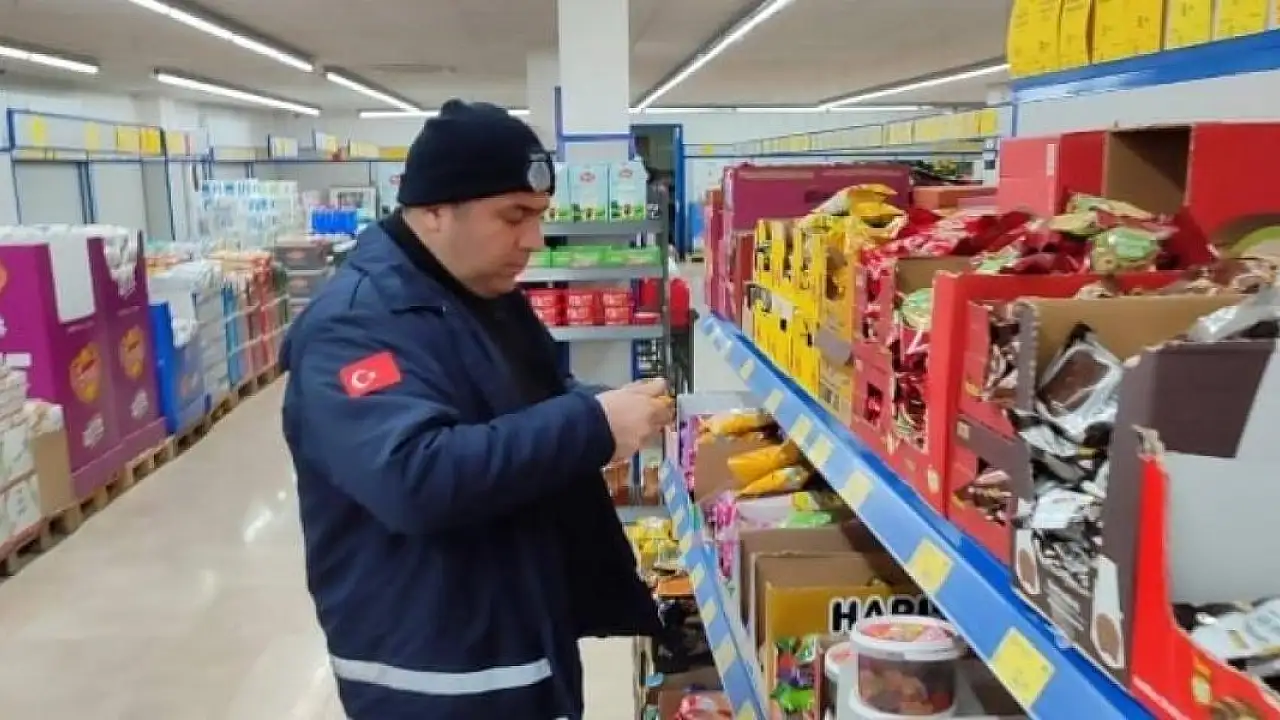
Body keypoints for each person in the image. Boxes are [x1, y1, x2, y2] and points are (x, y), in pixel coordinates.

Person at [280, 99, 668, 720]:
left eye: (539, 216)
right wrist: (590, 426)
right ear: (435, 211)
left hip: (515, 637)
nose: (533, 240)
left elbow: (525, 396)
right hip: (435, 676)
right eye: (514, 216)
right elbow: (414, 476)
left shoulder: (477, 292)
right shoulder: (354, 326)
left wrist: (601, 405)